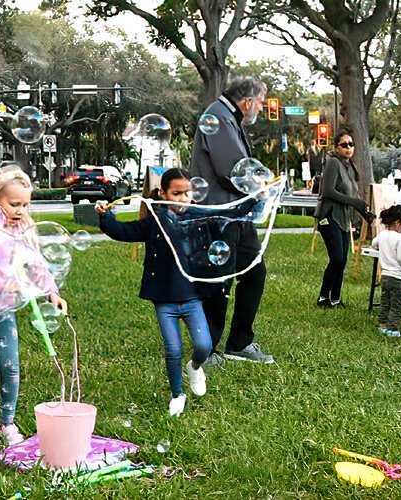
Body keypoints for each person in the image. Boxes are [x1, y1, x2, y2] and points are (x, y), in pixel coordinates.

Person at [0, 167, 68, 446]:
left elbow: (37, 266)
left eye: (25, 204)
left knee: (12, 366)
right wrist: (7, 284)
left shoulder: (23, 231)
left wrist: (51, 293)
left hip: (4, 309)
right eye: (14, 204)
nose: (20, 210)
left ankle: (8, 423)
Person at [98, 168, 211, 416]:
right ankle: (177, 394)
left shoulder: (197, 219)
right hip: (164, 299)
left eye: (187, 193)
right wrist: (107, 218)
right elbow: (125, 232)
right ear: (163, 193)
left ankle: (194, 367)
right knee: (173, 349)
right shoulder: (154, 222)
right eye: (177, 193)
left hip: (192, 296)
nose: (183, 198)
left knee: (204, 345)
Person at [187, 76, 274, 364]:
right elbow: (232, 169)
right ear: (247, 101)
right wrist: (259, 186)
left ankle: (240, 342)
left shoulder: (228, 118)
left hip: (238, 213)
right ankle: (207, 347)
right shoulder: (218, 116)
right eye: (260, 102)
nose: (261, 108)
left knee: (254, 272)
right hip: (219, 214)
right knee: (218, 280)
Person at [315, 131, 371, 308]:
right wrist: (355, 202)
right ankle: (323, 297)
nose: (348, 148)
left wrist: (364, 213)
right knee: (337, 259)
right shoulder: (333, 163)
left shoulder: (350, 167)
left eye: (351, 144)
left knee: (343, 260)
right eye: (344, 145)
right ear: (336, 147)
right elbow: (328, 192)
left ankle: (336, 298)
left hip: (344, 218)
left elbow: (351, 195)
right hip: (329, 216)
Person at [373, 205, 401, 338]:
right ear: (398, 223)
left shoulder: (382, 235)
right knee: (397, 304)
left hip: (385, 276)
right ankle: (392, 329)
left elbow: (374, 244)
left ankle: (382, 325)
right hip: (397, 277)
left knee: (385, 302)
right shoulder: (399, 238)